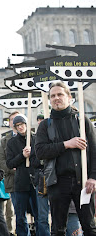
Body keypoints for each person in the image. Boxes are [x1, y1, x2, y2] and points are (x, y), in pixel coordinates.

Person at [35, 82, 96, 235]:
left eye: (60, 94)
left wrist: (93, 177)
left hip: (82, 182)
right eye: (53, 96)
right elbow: (40, 151)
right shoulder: (45, 125)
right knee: (58, 229)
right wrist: (66, 144)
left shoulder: (81, 121)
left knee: (89, 226)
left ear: (69, 97)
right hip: (57, 182)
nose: (56, 98)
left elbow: (95, 151)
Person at [6, 114, 39, 236]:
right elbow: (9, 163)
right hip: (20, 183)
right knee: (20, 216)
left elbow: (42, 158)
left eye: (22, 124)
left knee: (39, 215)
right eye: (17, 125)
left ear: (26, 124)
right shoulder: (11, 143)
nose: (20, 127)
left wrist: (32, 155)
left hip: (36, 182)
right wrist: (22, 156)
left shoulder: (36, 139)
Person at [0, 111, 20, 235]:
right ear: (10, 123)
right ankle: (10, 232)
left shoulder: (32, 136)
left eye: (17, 119)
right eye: (12, 119)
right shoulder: (5, 140)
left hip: (29, 180)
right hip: (12, 180)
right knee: (12, 211)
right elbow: (0, 161)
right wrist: (12, 169)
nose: (15, 122)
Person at [32, 113, 51, 236]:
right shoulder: (36, 140)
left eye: (43, 120)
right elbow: (34, 161)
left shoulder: (55, 135)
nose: (40, 123)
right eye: (39, 120)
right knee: (43, 214)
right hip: (42, 180)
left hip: (58, 178)